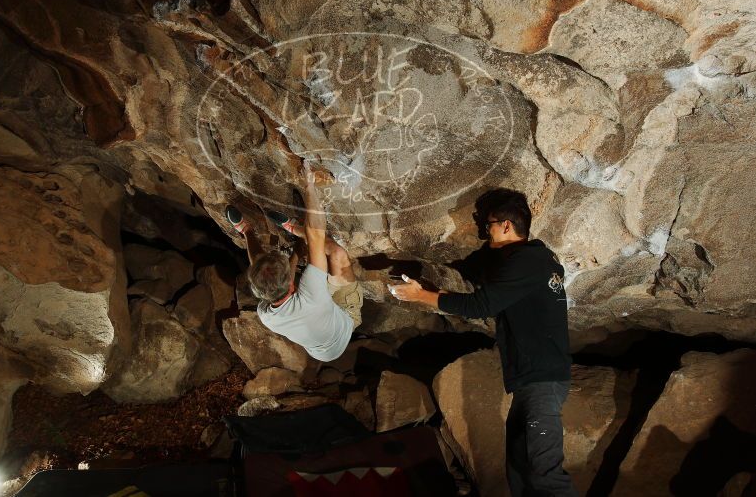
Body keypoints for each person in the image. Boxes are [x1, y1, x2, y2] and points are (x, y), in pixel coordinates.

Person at [389, 188, 577, 497]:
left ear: (506, 225)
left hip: (542, 380)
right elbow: (478, 276)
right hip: (534, 379)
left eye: (488, 223)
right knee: (518, 468)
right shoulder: (533, 258)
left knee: (546, 475)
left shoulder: (529, 261)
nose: (482, 230)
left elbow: (480, 305)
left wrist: (422, 296)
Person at [226, 160, 363, 362]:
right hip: (344, 319)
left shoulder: (266, 315)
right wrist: (309, 186)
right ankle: (295, 229)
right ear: (292, 282)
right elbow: (316, 235)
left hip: (318, 347)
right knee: (338, 254)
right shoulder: (311, 293)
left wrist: (297, 255)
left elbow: (271, 280)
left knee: (265, 274)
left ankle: (247, 231)